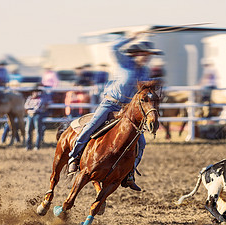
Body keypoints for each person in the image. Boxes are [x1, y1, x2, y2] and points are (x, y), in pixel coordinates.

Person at [67, 34, 163, 192]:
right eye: (145, 55)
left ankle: (129, 173)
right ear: (137, 54)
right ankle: (74, 156)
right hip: (110, 103)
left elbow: (144, 90)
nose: (146, 58)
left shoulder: (145, 71)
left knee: (141, 143)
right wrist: (130, 38)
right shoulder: (125, 62)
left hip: (126, 109)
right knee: (91, 126)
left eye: (148, 56)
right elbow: (113, 48)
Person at [24, 84, 51, 150]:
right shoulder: (30, 98)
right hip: (31, 115)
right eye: (34, 91)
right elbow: (25, 106)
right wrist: (30, 110)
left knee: (37, 130)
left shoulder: (40, 99)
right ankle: (28, 145)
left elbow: (37, 107)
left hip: (37, 114)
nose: (35, 93)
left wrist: (30, 110)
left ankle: (37, 145)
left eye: (36, 91)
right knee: (28, 130)